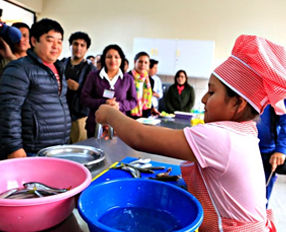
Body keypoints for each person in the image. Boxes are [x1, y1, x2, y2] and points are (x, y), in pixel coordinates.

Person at [95, 35, 286, 231]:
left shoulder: (222, 137)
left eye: (211, 92)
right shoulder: (245, 133)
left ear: (238, 103)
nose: (203, 99)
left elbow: (139, 137)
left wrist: (110, 114)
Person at [0, 18, 71, 159]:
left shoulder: (59, 68)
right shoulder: (19, 68)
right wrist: (14, 148)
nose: (56, 46)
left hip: (58, 149)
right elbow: (8, 110)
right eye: (50, 40)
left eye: (59, 41)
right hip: (32, 151)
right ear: (34, 41)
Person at [81, 44, 137, 138]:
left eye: (116, 57)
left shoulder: (128, 78)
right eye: (109, 57)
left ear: (121, 59)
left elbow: (133, 101)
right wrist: (104, 102)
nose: (113, 60)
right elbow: (84, 98)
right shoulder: (93, 76)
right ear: (104, 59)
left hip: (119, 124)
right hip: (95, 124)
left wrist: (119, 105)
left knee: (117, 152)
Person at [62, 31, 95, 143]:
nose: (78, 48)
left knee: (78, 149)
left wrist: (79, 88)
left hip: (80, 116)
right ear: (70, 46)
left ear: (86, 49)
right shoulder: (62, 64)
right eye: (75, 44)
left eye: (82, 45)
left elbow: (94, 94)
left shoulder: (91, 69)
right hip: (61, 115)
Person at [257, 101, 286, 207]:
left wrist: (281, 149)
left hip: (267, 153)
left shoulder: (277, 93)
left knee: (262, 195)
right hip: (244, 148)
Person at [127, 51, 152, 118]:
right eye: (140, 62)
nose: (143, 65)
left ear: (149, 64)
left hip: (145, 114)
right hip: (129, 114)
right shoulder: (127, 77)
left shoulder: (149, 80)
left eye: (146, 62)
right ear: (135, 62)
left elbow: (148, 98)